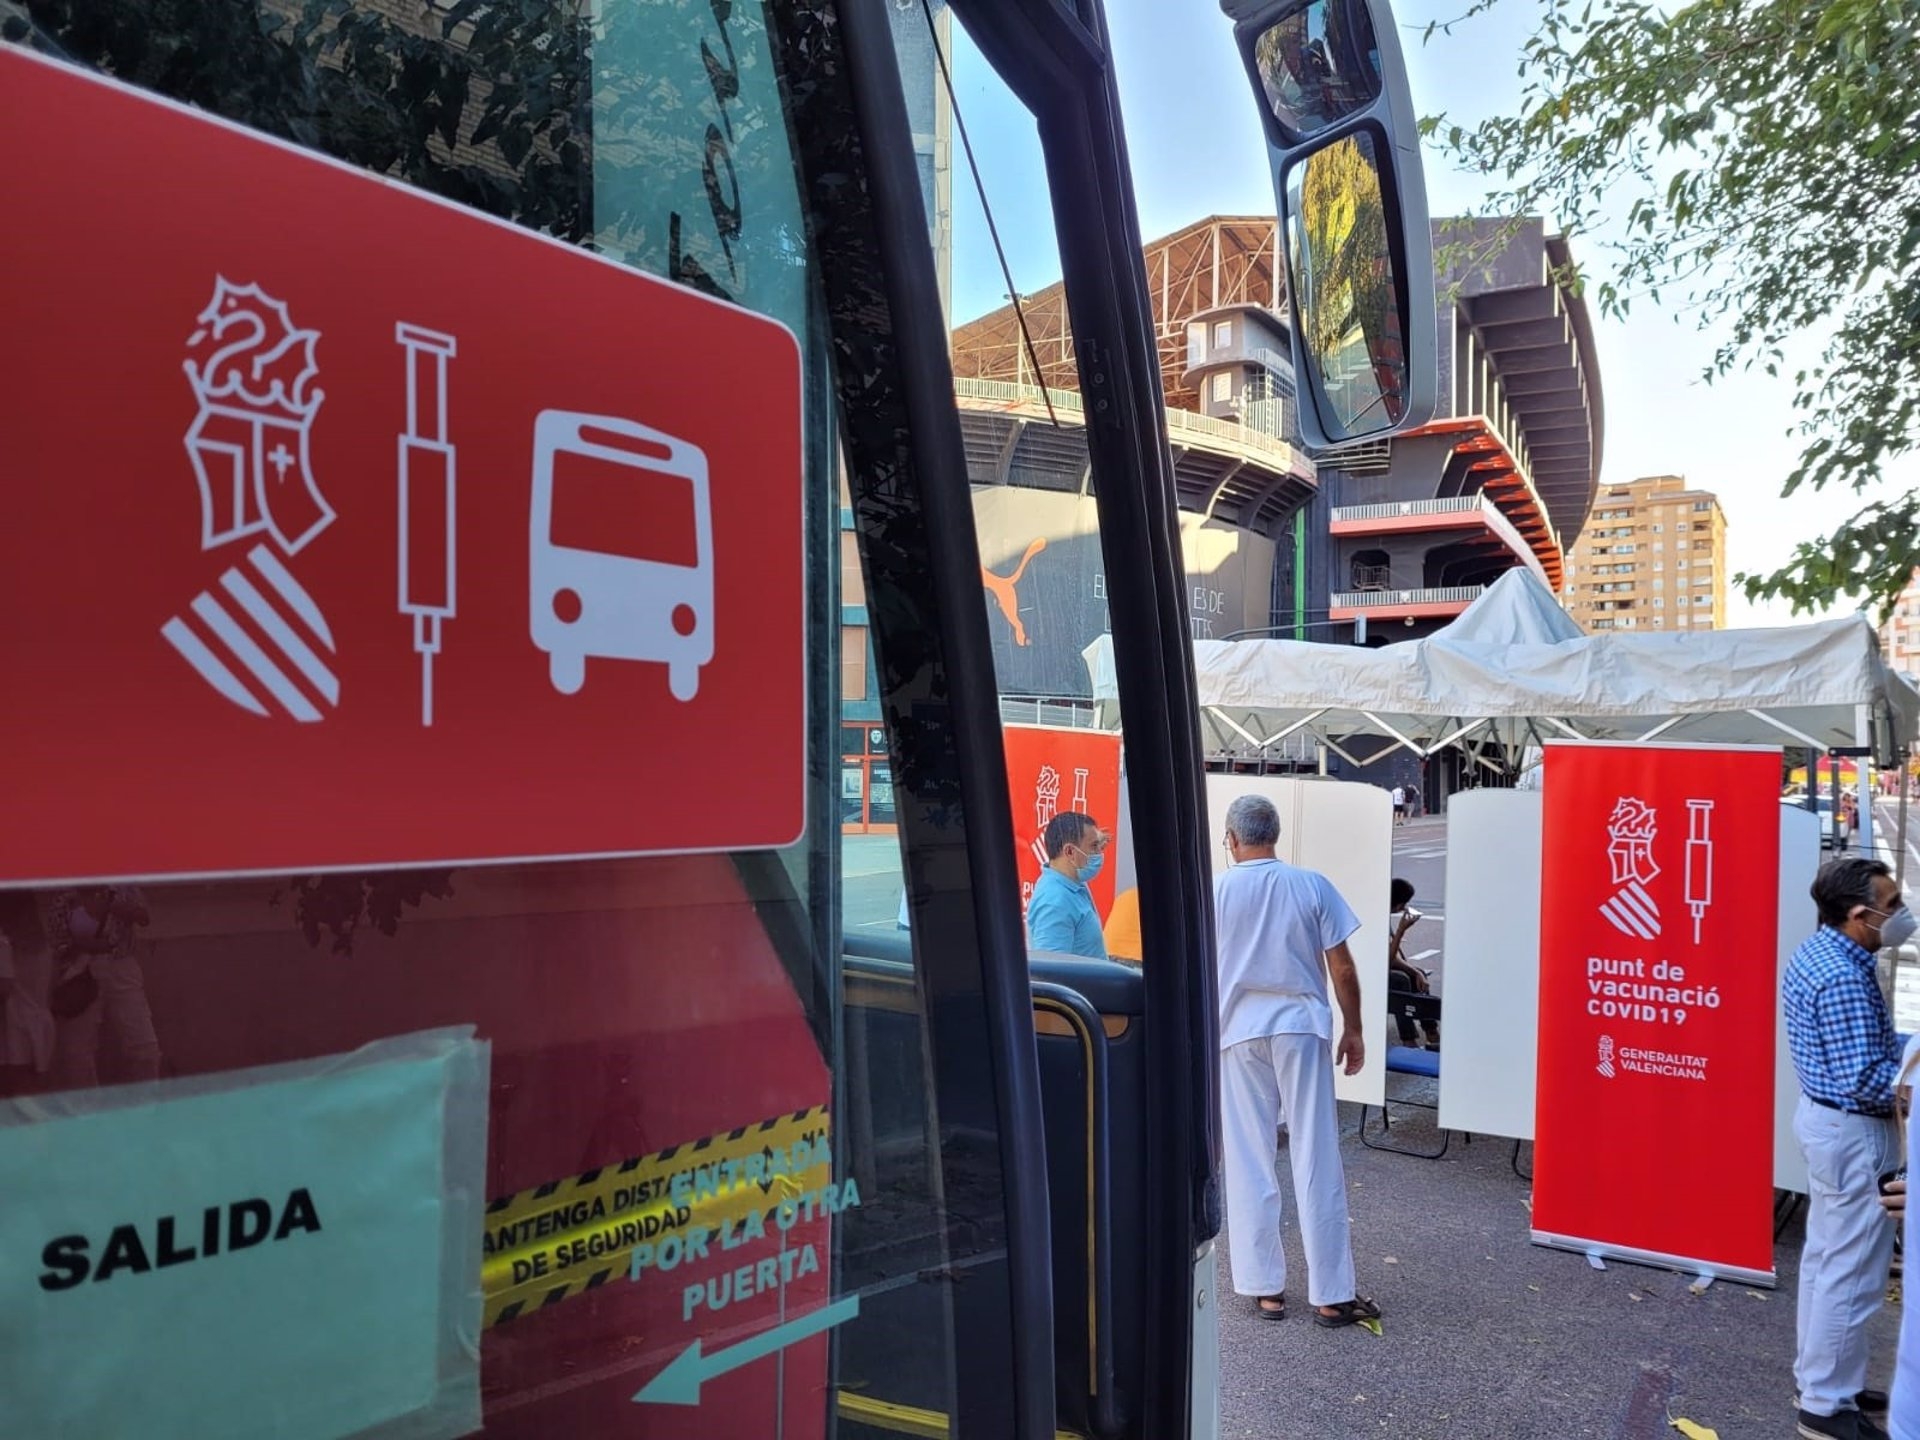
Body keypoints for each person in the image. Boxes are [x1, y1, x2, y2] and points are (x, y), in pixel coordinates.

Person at [1214, 793, 1378, 1328]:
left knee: (1249, 1156)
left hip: (1238, 1033)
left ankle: (1265, 1288)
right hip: (1302, 1029)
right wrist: (1352, 1029)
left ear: (1232, 838)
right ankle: (1331, 1293)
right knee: (1316, 1153)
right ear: (1276, 834)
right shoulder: (1310, 885)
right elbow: (1344, 969)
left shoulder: (1213, 891)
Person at [1784, 856, 1915, 1439]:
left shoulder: (1820, 952)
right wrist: (1908, 1081)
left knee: (1825, 1261)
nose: (1901, 913)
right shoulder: (1842, 974)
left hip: (1825, 1123)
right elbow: (1866, 1078)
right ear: (1860, 916)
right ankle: (1826, 1403)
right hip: (1855, 1132)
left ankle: (1820, 1376)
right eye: (1892, 904)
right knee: (1854, 1272)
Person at [1025, 811, 1109, 960]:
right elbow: (1051, 972)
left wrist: (1095, 839)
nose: (1099, 854)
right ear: (1070, 851)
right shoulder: (1055, 902)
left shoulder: (1071, 881)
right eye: (1094, 846)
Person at [1386, 878, 1438, 1050]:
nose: (1404, 907)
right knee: (1401, 980)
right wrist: (1401, 930)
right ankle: (1408, 1038)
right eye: (1403, 903)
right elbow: (1387, 960)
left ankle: (1431, 1030)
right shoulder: (1375, 920)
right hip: (1369, 971)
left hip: (1385, 965)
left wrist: (1416, 972)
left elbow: (1395, 957)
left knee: (1417, 973)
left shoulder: (1385, 918)